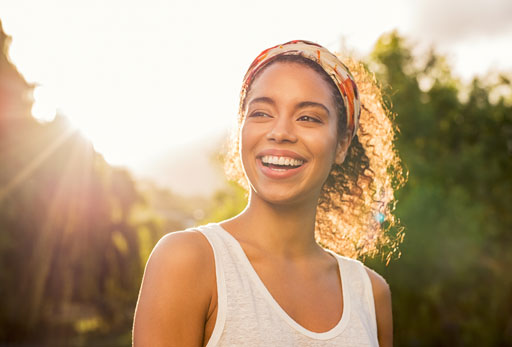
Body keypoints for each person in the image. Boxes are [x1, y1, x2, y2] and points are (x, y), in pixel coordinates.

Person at [133, 40, 404, 346]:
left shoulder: (370, 294)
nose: (280, 132)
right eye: (261, 113)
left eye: (308, 117)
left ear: (341, 144)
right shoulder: (187, 261)